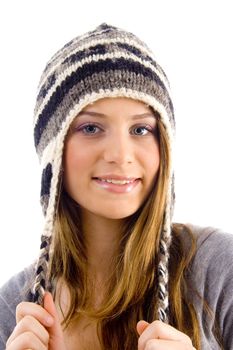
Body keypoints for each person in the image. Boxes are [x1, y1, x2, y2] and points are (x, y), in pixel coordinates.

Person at [0, 23, 232, 350]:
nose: (120, 155)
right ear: (54, 150)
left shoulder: (218, 271)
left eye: (140, 130)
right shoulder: (13, 312)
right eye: (92, 127)